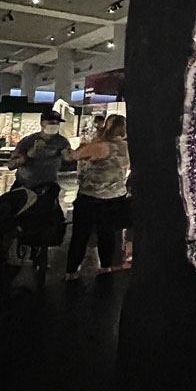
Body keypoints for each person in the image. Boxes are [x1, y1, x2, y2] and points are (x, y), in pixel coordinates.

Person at [64, 114, 129, 279]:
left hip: (91, 196)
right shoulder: (126, 147)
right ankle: (106, 268)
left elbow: (73, 156)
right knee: (107, 234)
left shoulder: (102, 146)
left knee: (80, 234)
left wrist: (69, 150)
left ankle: (71, 271)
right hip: (115, 197)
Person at [7, 110, 73, 189]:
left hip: (48, 186)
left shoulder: (62, 142)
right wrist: (26, 157)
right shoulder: (28, 141)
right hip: (24, 184)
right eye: (51, 123)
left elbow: (68, 159)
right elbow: (11, 165)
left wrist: (70, 156)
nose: (54, 126)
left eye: (57, 123)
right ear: (42, 123)